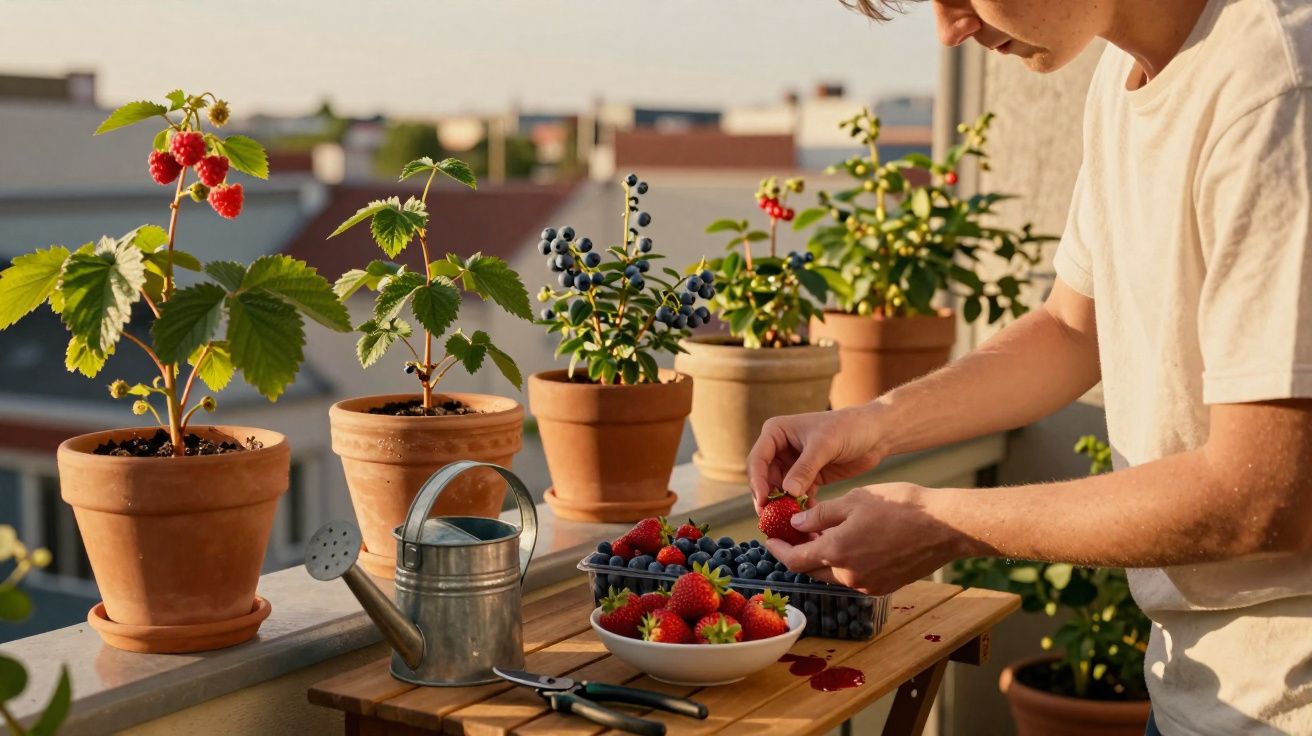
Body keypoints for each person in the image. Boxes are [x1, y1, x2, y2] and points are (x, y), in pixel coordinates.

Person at [748, 1, 1312, 733]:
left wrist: (942, 524)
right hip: (1199, 693)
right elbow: (1073, 329)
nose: (950, 29)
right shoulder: (1122, 80)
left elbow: (1269, 493)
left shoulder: (1278, 86)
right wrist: (875, 423)